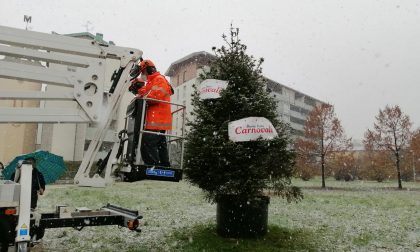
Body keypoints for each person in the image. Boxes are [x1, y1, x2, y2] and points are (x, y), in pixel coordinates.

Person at [132, 59, 174, 167]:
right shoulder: (152, 81)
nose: (142, 75)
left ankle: (152, 167)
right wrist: (137, 89)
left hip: (157, 119)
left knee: (147, 142)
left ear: (148, 70)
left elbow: (155, 96)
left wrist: (142, 96)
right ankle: (164, 166)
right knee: (160, 144)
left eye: (143, 72)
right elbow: (146, 91)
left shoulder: (159, 80)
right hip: (157, 119)